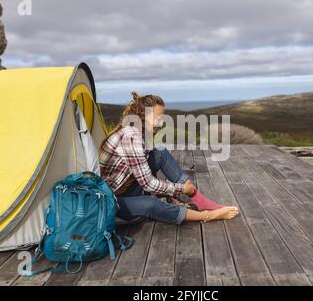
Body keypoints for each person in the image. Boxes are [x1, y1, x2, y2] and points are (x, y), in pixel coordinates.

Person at [99, 92, 239, 225]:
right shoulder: (132, 136)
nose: (161, 123)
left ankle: (198, 199)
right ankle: (207, 215)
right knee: (151, 204)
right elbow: (148, 183)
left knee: (160, 152)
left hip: (124, 189)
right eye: (158, 118)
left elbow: (145, 166)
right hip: (112, 201)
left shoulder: (139, 131)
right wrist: (180, 189)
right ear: (144, 116)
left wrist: (179, 188)